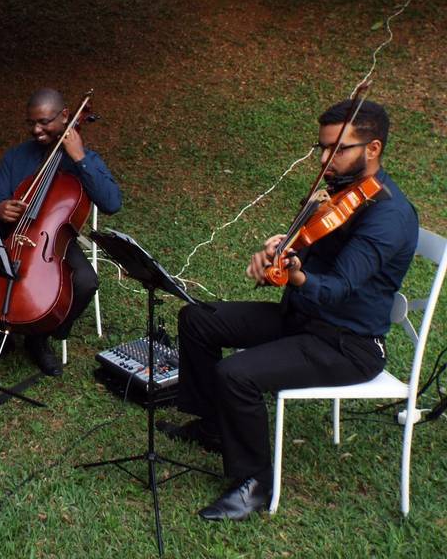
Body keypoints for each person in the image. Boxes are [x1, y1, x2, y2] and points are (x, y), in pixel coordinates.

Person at [158, 99, 418, 521]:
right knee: (198, 319)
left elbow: (337, 289)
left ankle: (255, 484)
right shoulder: (337, 194)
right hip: (301, 321)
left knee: (236, 374)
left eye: (337, 149)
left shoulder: (388, 216)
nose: (323, 159)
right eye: (321, 147)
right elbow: (307, 251)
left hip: (346, 343)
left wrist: (296, 276)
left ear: (373, 149)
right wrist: (281, 250)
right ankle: (213, 427)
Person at [0, 88, 122, 376]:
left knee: (86, 281)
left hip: (53, 240)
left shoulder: (86, 160)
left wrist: (79, 157)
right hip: (13, 233)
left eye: (44, 122)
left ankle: (40, 337)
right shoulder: (16, 157)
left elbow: (111, 203)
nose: (36, 129)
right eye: (32, 123)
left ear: (66, 116)